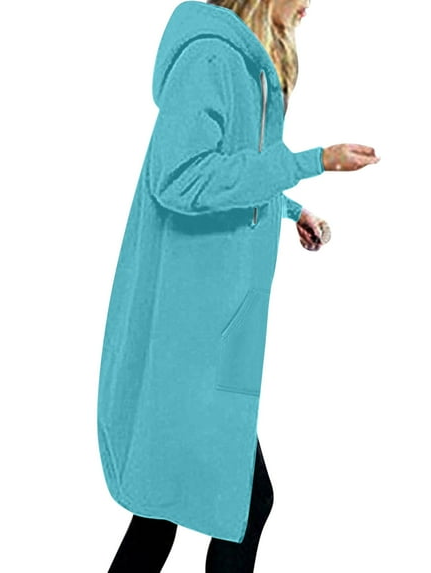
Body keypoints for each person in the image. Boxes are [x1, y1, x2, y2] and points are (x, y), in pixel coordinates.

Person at [97, 1, 380, 571]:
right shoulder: (210, 58)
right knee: (235, 502)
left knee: (168, 507)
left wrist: (289, 208)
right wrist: (313, 161)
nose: (310, 5)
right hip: (192, 324)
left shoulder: (249, 67)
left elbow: (229, 170)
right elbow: (179, 178)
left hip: (228, 322)